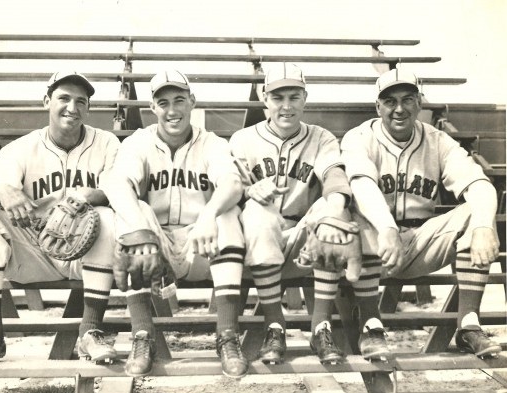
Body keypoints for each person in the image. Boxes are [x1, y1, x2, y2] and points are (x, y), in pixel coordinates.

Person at [0, 71, 121, 364]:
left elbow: (121, 189)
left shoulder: (106, 143)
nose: (72, 107)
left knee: (106, 215)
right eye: (64, 98)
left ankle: (91, 331)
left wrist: (88, 196)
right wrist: (2, 191)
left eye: (81, 101)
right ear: (47, 101)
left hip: (89, 256)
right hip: (34, 252)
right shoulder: (23, 147)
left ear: (88, 108)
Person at [229, 63, 388, 365]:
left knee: (331, 210)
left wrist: (335, 212)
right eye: (278, 98)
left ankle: (320, 327)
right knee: (258, 214)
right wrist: (249, 191)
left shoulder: (321, 137)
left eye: (294, 97)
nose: (286, 106)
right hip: (257, 244)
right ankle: (274, 326)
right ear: (265, 99)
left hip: (305, 243)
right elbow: (229, 188)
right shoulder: (243, 139)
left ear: (305, 98)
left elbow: (334, 177)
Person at [340, 68, 502, 358]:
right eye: (390, 101)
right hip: (374, 244)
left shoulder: (438, 140)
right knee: (356, 215)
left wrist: (482, 226)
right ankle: (370, 325)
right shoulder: (359, 137)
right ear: (378, 107)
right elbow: (362, 184)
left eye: (407, 99)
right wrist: (386, 228)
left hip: (420, 243)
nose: (399, 109)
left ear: (419, 102)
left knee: (476, 212)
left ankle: (468, 325)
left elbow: (479, 183)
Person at [101, 70, 248, 378]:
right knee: (132, 211)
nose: (172, 110)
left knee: (227, 212)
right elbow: (117, 184)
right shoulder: (138, 142)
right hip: (156, 249)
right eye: (163, 102)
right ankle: (142, 335)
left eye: (179, 100)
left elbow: (233, 184)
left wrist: (209, 215)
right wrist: (142, 232)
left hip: (203, 244)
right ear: (152, 108)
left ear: (192, 101)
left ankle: (227, 336)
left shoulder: (211, 142)